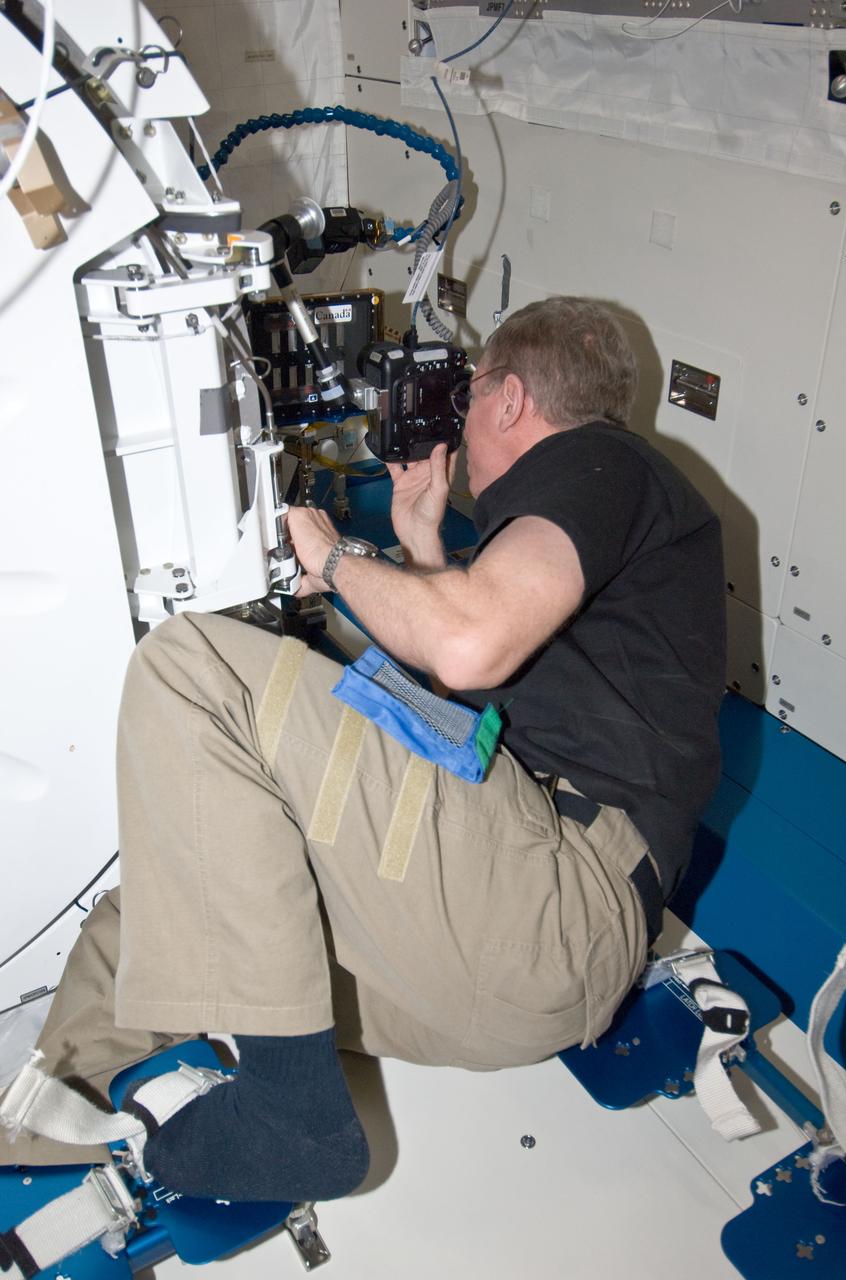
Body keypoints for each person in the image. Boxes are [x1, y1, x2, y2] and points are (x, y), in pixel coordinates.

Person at [0, 297, 725, 1204]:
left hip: (552, 908)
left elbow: (467, 646)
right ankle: (58, 1124)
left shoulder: (604, 460)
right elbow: (469, 702)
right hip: (497, 971)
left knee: (190, 667)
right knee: (162, 889)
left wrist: (335, 555)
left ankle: (289, 1114)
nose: (458, 420)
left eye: (469, 396)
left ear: (507, 399)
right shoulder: (567, 546)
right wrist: (422, 540)